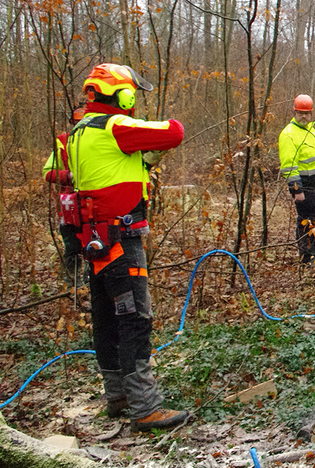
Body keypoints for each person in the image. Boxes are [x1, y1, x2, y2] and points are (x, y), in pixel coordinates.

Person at [66, 63, 187, 431]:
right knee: (135, 319)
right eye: (132, 95)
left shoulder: (78, 132)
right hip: (121, 239)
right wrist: (146, 139)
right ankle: (145, 407)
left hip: (94, 239)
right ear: (123, 95)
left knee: (106, 319)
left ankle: (117, 395)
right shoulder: (115, 126)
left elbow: (115, 169)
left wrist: (143, 157)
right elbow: (174, 131)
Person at [278, 94, 315, 264]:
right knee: (307, 222)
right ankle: (307, 256)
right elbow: (289, 165)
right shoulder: (288, 134)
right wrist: (296, 189)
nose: (304, 116)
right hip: (305, 187)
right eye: (300, 113)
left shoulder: (311, 130)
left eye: (307, 113)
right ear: (294, 111)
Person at [43, 104, 87, 287]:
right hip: (69, 205)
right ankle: (72, 285)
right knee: (72, 248)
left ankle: (91, 283)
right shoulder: (63, 142)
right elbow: (48, 172)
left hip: (95, 204)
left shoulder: (102, 140)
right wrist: (68, 176)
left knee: (95, 246)